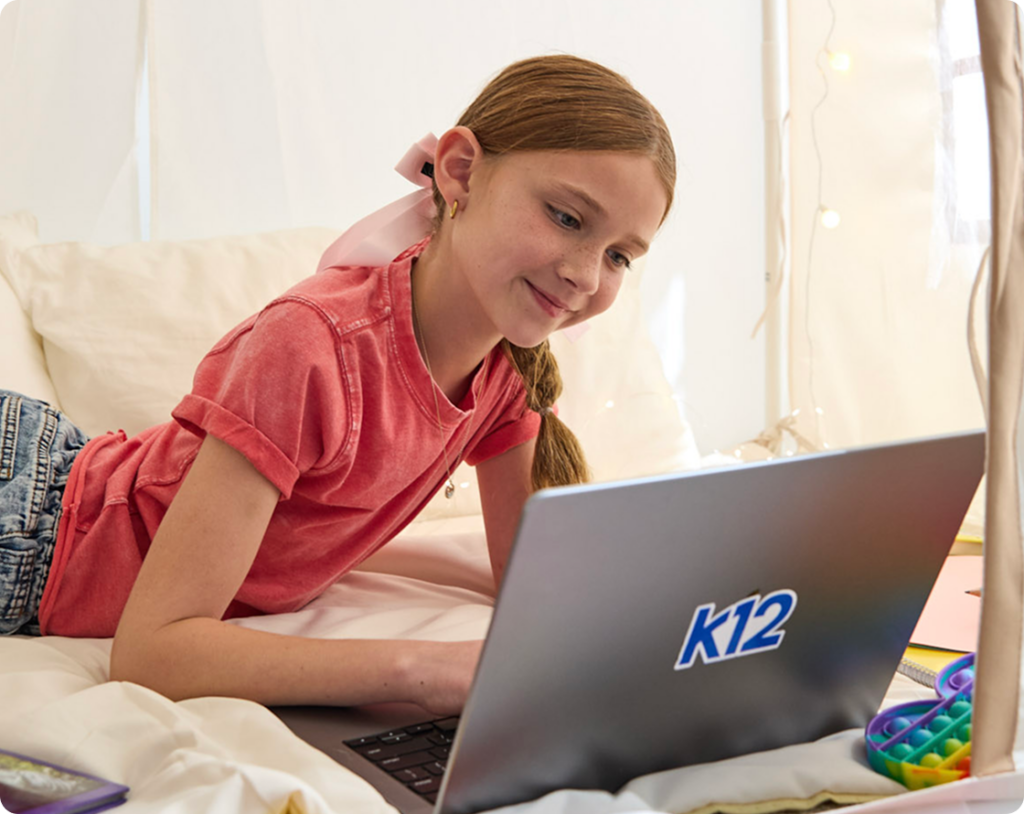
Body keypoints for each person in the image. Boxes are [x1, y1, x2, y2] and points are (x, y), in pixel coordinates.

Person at [0, 54, 675, 716]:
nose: (587, 276)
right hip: (29, 515)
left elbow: (535, 590)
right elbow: (152, 653)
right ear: (461, 172)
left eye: (620, 255)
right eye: (566, 218)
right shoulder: (312, 346)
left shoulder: (504, 376)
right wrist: (420, 670)